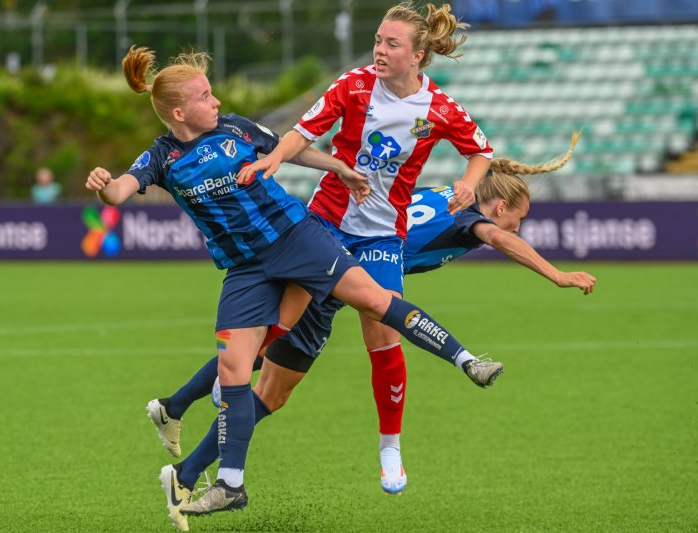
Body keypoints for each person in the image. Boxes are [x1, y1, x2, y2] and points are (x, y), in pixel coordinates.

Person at [87, 45, 503, 526]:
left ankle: (467, 359)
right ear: (179, 113)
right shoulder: (161, 157)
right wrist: (103, 183)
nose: (217, 100)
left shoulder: (236, 127)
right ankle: (230, 485)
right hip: (244, 268)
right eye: (205, 96)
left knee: (373, 299)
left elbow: (292, 147)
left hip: (297, 238)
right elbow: (119, 190)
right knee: (235, 369)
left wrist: (339, 168)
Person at [157, 135, 596, 531]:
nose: (518, 227)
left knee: (258, 361)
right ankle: (395, 441)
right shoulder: (470, 220)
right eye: (518, 217)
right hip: (331, 270)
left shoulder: (445, 195)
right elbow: (502, 240)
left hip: (327, 259)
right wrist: (555, 274)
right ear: (500, 207)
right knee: (270, 379)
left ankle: (176, 422)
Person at [235, 1, 494, 495]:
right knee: (278, 327)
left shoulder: (439, 108)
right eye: (377, 40)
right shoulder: (352, 85)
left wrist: (468, 183)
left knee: (382, 333)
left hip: (381, 234)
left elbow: (481, 149)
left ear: (417, 55)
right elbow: (303, 132)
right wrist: (275, 158)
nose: (379, 49)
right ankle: (214, 388)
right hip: (327, 222)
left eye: (391, 44)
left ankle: (390, 448)